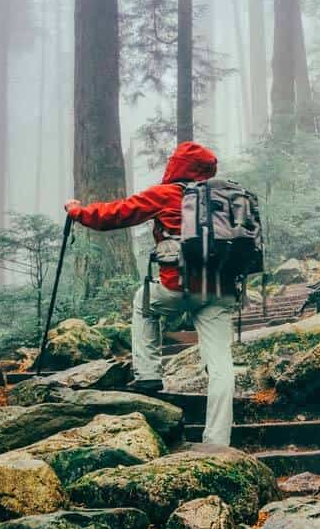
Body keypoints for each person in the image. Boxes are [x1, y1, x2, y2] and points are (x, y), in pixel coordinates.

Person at [65, 141, 236, 448]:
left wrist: (78, 212)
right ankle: (218, 441)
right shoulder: (225, 198)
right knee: (221, 365)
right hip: (221, 291)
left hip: (178, 287)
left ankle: (148, 375)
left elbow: (115, 214)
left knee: (143, 303)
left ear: (178, 166)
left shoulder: (168, 194)